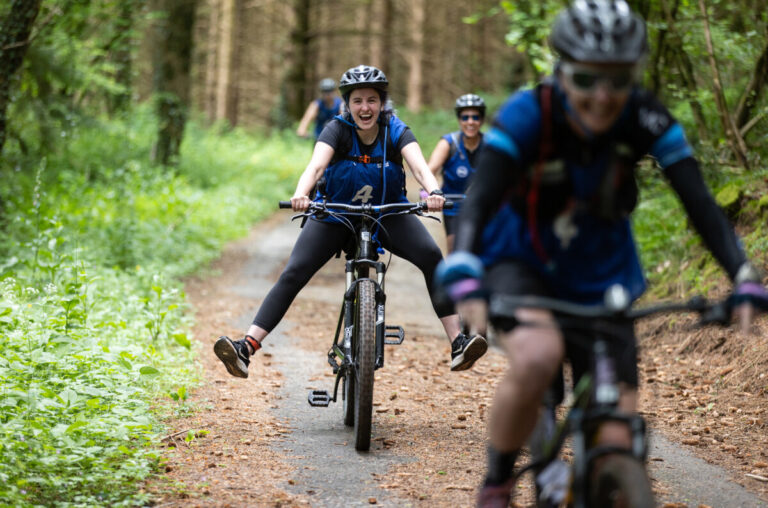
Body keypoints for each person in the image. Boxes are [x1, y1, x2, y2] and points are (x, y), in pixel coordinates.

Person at [433, 1, 768, 506]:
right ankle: (498, 481)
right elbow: (480, 198)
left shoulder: (644, 113)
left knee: (618, 434)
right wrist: (464, 265)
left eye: (618, 79)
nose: (603, 96)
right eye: (587, 79)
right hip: (521, 262)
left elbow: (700, 204)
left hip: (603, 270)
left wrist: (742, 272)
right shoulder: (530, 112)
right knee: (539, 355)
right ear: (562, 70)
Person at [215, 65, 488, 380]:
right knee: (294, 272)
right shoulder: (336, 128)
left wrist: (435, 192)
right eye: (357, 100)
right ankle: (246, 347)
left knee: (431, 257)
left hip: (388, 213)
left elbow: (419, 167)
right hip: (336, 213)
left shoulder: (395, 128)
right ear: (347, 104)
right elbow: (316, 167)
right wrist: (301, 194)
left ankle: (457, 343)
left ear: (382, 103)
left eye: (372, 100)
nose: (365, 108)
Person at [427, 94, 486, 252]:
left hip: (482, 206)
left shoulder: (489, 144)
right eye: (465, 117)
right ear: (459, 120)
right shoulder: (448, 143)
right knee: (455, 248)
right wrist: (428, 192)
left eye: (475, 117)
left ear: (482, 119)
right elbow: (430, 170)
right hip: (453, 207)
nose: (470, 122)